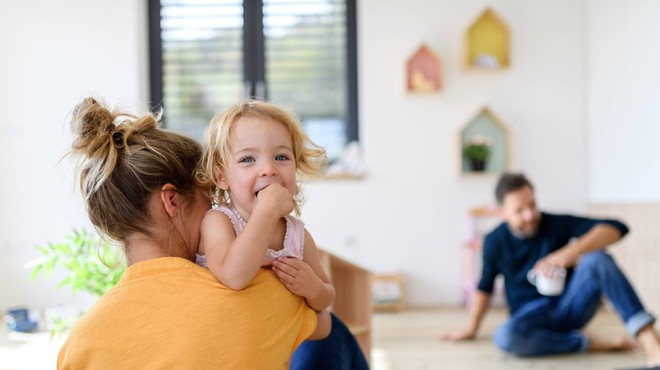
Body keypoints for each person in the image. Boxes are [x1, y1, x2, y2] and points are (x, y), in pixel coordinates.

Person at [58, 97, 327, 369]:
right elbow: (323, 323)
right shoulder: (264, 291)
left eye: (281, 157)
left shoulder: (79, 342)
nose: (217, 205)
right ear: (172, 201)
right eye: (209, 196)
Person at [439, 173, 660, 367]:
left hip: (570, 306)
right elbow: (484, 286)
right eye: (519, 210)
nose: (529, 215)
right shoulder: (494, 242)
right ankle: (587, 343)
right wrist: (471, 329)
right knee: (505, 336)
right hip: (529, 317)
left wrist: (569, 253)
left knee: (597, 259)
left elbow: (617, 227)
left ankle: (653, 346)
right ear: (502, 213)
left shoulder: (555, 223)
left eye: (532, 205)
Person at [194, 100, 335, 324]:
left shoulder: (298, 236)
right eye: (248, 159)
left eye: (281, 157)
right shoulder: (219, 221)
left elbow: (327, 296)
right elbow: (234, 277)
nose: (269, 170)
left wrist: (313, 288)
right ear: (221, 177)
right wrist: (266, 213)